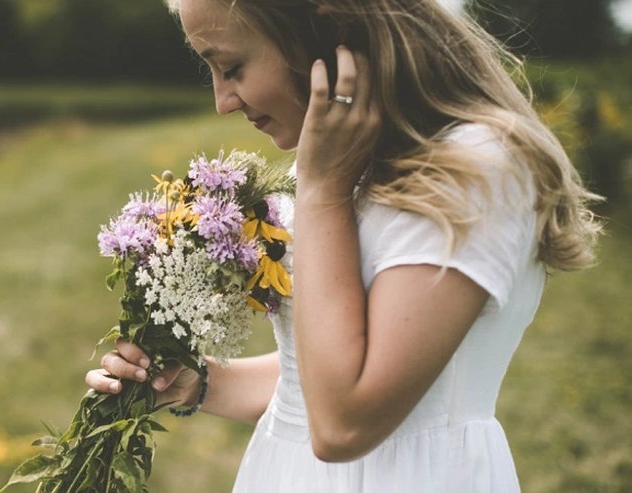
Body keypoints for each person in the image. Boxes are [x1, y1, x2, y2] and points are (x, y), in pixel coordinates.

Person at [85, 0, 602, 491]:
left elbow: (344, 423)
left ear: (321, 30)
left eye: (232, 67)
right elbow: (310, 381)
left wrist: (322, 190)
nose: (222, 101)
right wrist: (200, 385)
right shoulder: (345, 162)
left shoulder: (471, 171)